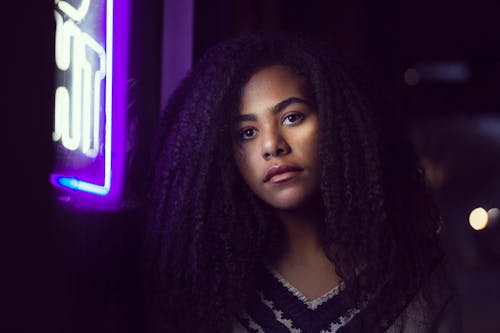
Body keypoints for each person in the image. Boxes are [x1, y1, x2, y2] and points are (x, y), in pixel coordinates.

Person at [143, 34, 461, 333]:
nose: (272, 145)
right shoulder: (205, 289)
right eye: (246, 133)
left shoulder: (419, 280)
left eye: (292, 117)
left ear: (338, 122)